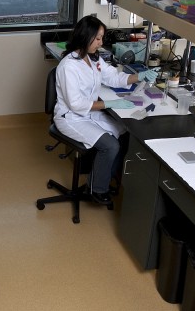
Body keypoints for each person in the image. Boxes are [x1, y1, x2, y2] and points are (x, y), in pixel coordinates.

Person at [53, 15, 154, 206]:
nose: (101, 43)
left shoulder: (94, 59)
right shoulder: (68, 66)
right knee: (110, 145)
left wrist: (139, 76)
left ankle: (101, 179)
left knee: (124, 135)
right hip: (70, 118)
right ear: (86, 37)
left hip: (89, 114)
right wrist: (110, 104)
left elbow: (114, 78)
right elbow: (75, 104)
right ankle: (98, 189)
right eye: (98, 38)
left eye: (101, 38)